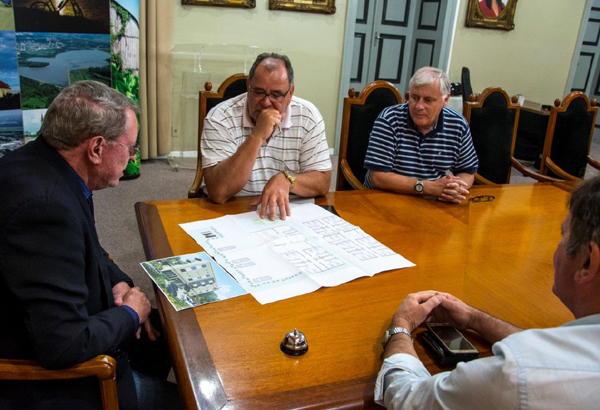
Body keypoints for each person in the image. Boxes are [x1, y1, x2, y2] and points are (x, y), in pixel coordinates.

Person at [0, 81, 180, 410]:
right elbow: (63, 345)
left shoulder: (48, 166)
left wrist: (119, 281)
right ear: (96, 149)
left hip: (57, 315)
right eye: (130, 147)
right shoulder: (45, 208)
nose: (132, 156)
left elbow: (90, 248)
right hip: (48, 380)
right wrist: (130, 312)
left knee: (163, 332)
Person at [375, 176, 600, 409]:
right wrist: (474, 319)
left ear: (588, 263)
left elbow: (406, 398)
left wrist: (401, 326)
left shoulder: (517, 374)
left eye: (563, 236)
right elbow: (556, 355)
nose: (556, 247)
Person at [201, 52, 332, 220]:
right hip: (231, 212)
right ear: (248, 86)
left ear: (290, 93)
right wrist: (257, 136)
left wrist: (287, 179)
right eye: (259, 92)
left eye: (276, 94)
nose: (266, 102)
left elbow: (323, 182)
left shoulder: (308, 115)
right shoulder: (220, 117)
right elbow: (219, 192)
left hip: (285, 214)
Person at [363, 67, 478, 204]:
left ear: (445, 100)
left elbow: (467, 172)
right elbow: (378, 178)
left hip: (430, 201)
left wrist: (454, 189)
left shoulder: (458, 124)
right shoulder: (389, 119)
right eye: (415, 98)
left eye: (428, 100)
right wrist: (427, 187)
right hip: (385, 198)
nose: (418, 106)